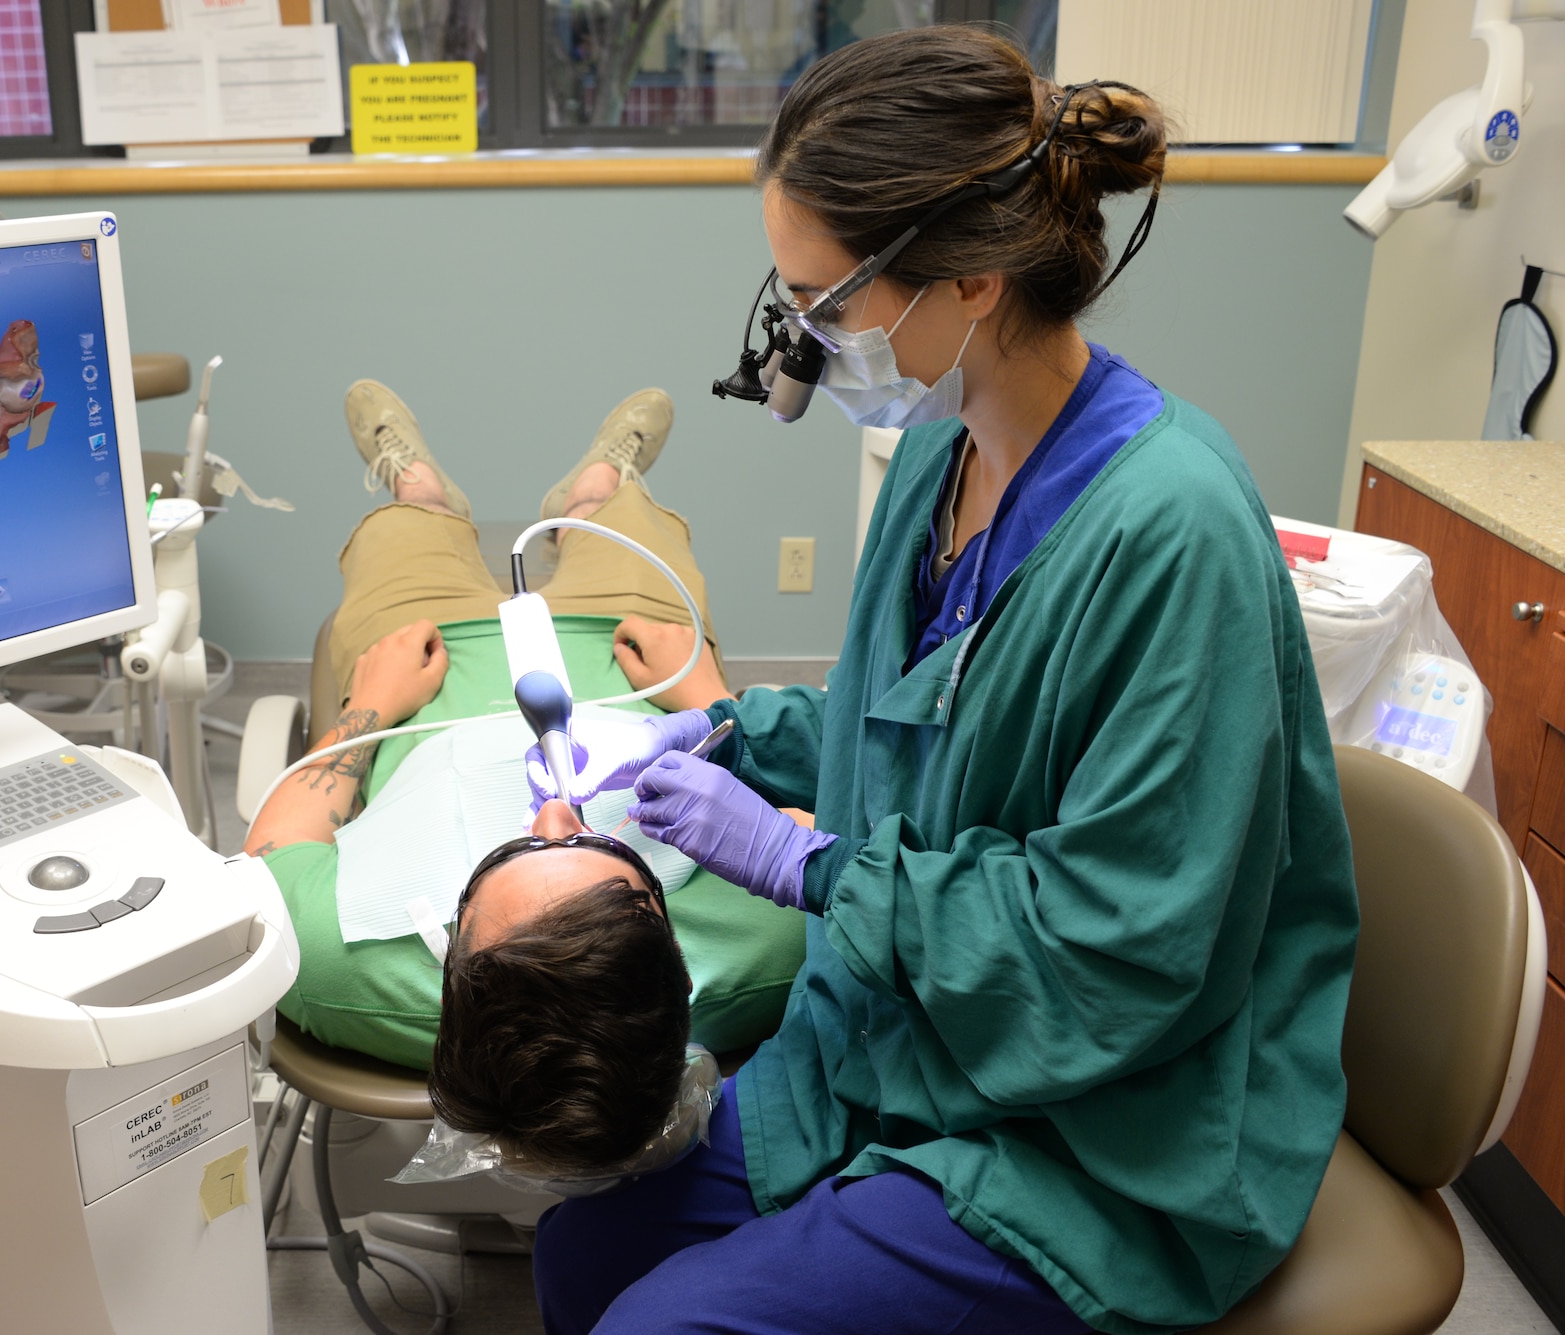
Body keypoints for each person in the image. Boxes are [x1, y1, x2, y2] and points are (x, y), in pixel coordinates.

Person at [526, 26, 1360, 1335]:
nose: (799, 346)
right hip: (917, 1025)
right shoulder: (939, 453)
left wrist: (810, 866)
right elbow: (919, 723)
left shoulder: (1172, 530)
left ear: (970, 279)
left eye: (829, 305)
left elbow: (1125, 946)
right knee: (582, 1252)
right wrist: (732, 735)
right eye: (786, 297)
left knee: (662, 1323)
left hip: (1101, 1126)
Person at [242, 379, 806, 1170]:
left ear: (455, 960)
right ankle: (596, 493)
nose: (550, 811)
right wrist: (710, 700)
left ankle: (422, 493)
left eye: (507, 856)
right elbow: (832, 821)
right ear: (670, 949)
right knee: (629, 525)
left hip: (429, 663)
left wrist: (370, 707)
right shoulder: (777, 945)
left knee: (399, 538)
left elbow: (273, 846)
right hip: (628, 651)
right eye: (600, 850)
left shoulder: (331, 966)